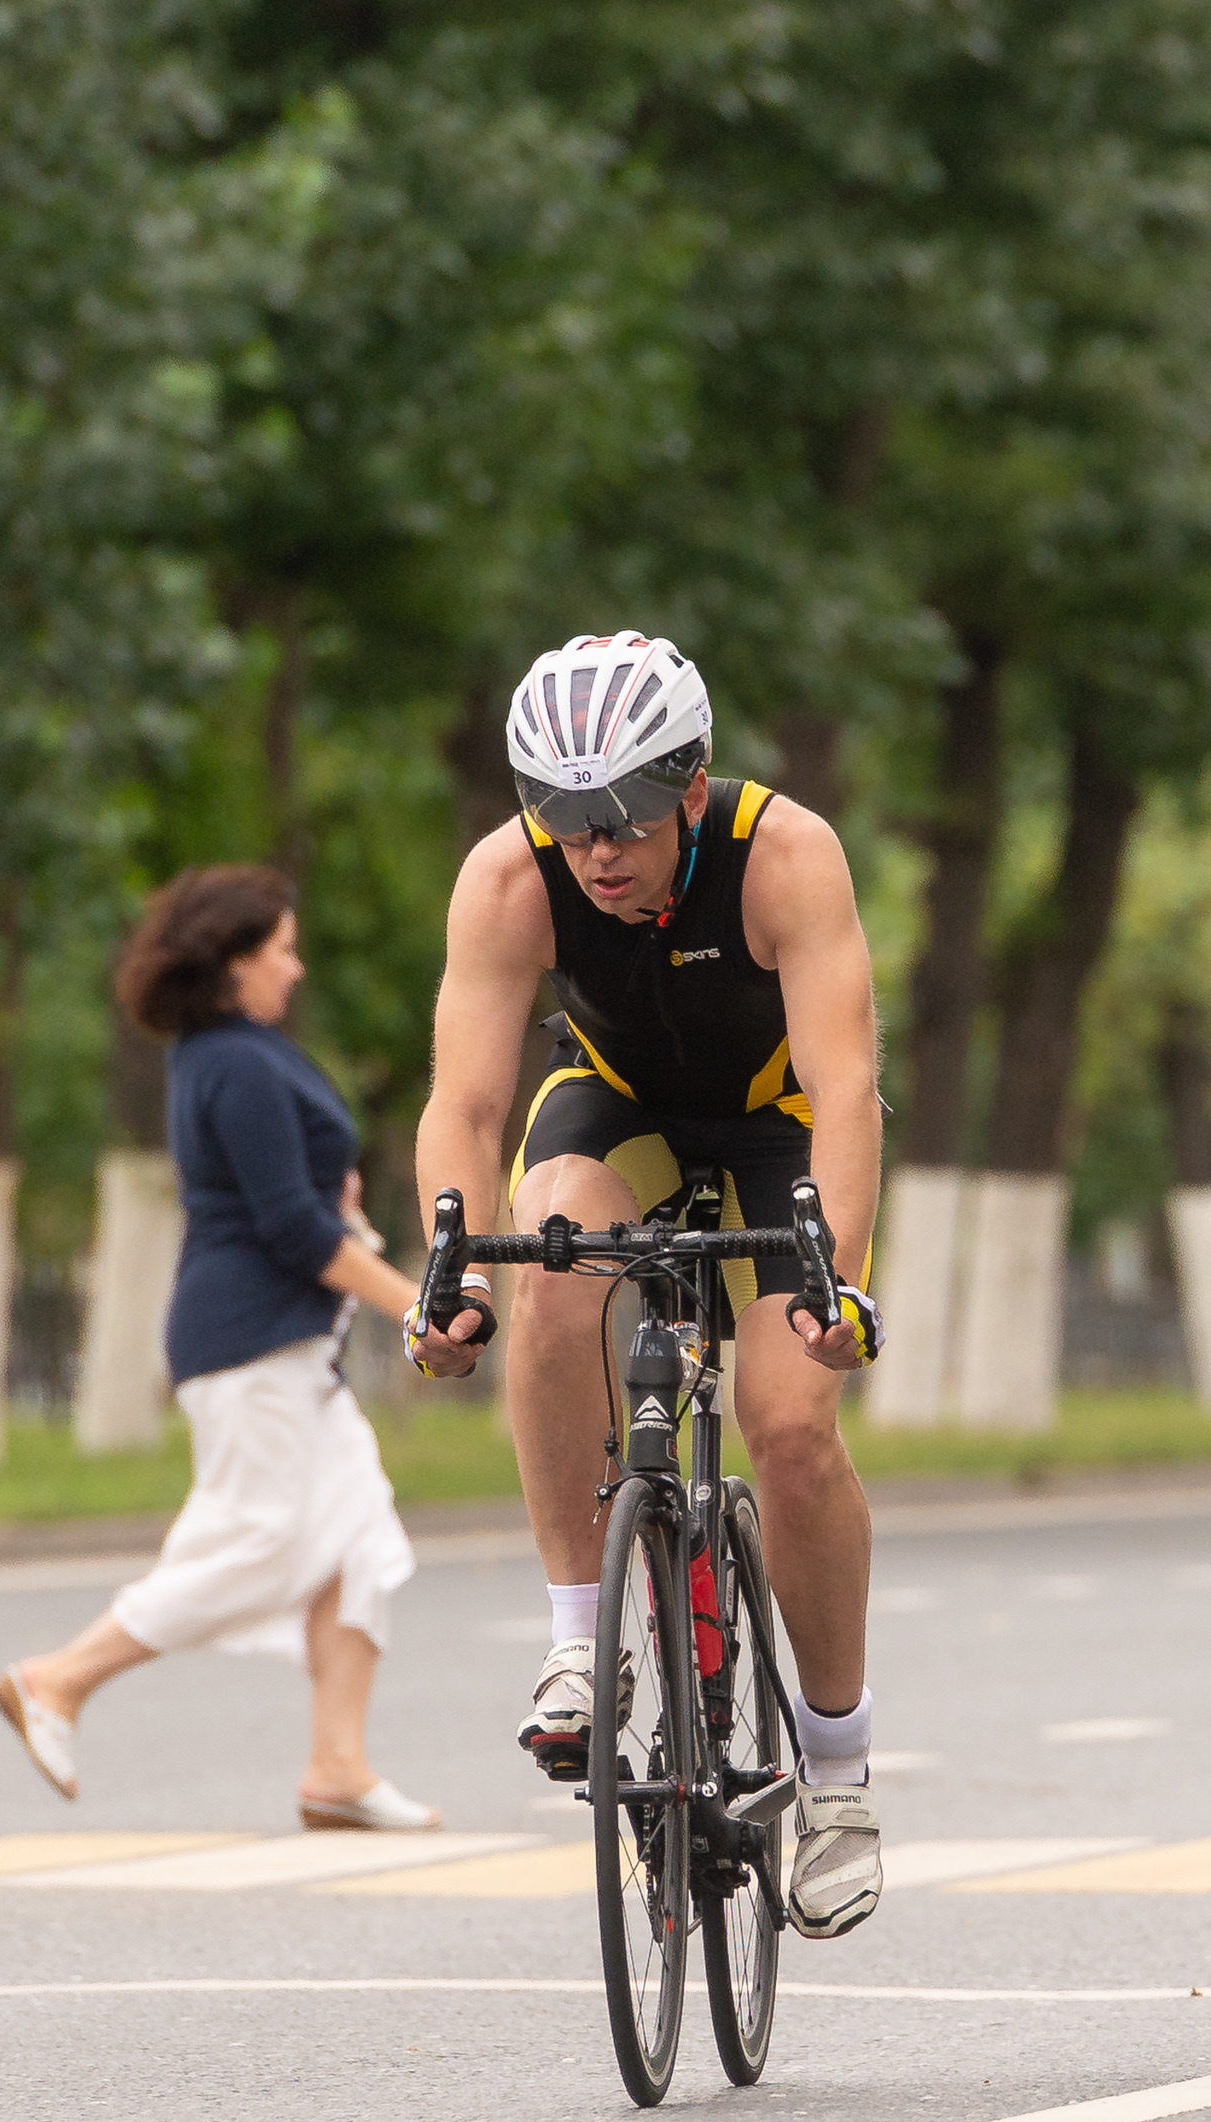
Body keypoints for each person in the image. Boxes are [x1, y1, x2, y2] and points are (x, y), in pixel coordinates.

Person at [405, 631, 888, 1939]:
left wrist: (835, 1282)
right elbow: (466, 1103)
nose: (597, 852)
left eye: (623, 818)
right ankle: (582, 1638)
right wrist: (454, 1272)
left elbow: (845, 1085)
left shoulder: (785, 857)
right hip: (618, 1106)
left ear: (692, 787)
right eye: (567, 823)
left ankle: (838, 1777)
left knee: (791, 1430)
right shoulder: (508, 878)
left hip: (780, 1126)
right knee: (555, 1264)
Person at [0, 866, 442, 1832]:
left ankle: (337, 1768)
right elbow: (289, 1228)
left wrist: (343, 1210)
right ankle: (57, 1679)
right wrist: (417, 1306)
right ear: (234, 963)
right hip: (249, 1346)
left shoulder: (235, 1053)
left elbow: (300, 1202)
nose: (296, 966)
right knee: (258, 1542)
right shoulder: (233, 1063)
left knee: (358, 1538)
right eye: (281, 950)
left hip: (288, 1350)